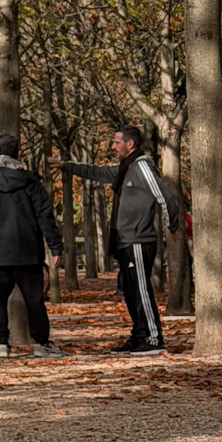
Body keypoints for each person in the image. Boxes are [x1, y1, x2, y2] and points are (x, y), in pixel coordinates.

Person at [61, 126, 172, 354]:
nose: (113, 146)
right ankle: (139, 335)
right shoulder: (125, 168)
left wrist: (173, 224)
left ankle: (153, 338)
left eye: (116, 142)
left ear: (129, 144)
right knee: (131, 293)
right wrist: (67, 166)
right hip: (125, 240)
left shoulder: (142, 165)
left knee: (141, 290)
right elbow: (97, 172)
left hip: (139, 240)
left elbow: (163, 195)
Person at [0, 135, 65, 359]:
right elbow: (45, 216)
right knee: (35, 300)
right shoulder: (30, 182)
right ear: (18, 154)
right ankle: (41, 343)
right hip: (27, 251)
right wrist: (55, 247)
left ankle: (1, 343)